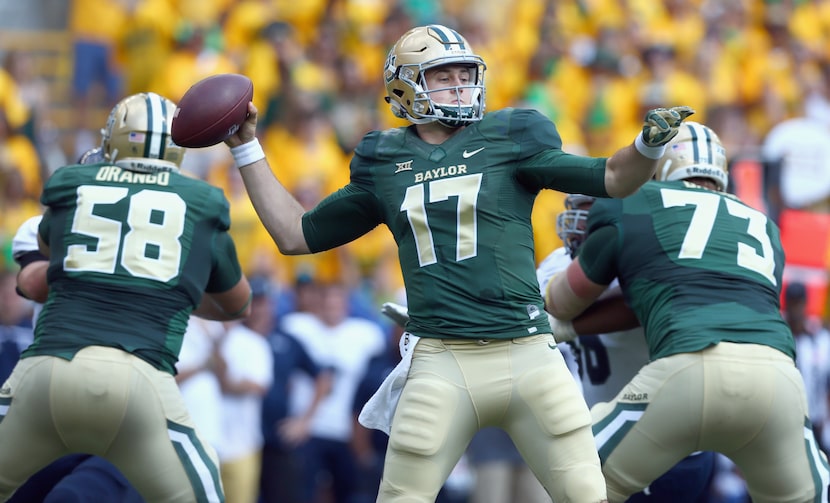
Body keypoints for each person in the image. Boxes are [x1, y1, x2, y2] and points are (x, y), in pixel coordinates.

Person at [223, 22, 694, 503]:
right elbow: (295, 235)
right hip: (441, 358)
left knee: (586, 495)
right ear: (405, 85)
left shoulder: (512, 135)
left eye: (464, 74)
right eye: (443, 75)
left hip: (528, 351)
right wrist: (245, 147)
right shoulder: (383, 159)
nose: (460, 85)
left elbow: (612, 177)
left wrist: (646, 147)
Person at [546, 121, 830, 502]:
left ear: (656, 168)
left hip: (687, 372)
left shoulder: (634, 203)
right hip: (778, 381)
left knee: (574, 481)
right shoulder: (762, 224)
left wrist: (559, 319)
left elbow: (564, 302)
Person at [0, 91, 253, 503]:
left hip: (48, 371)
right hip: (141, 381)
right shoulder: (203, 201)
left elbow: (36, 279)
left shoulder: (73, 183)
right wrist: (170, 288)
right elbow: (239, 304)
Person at [539, 193, 716, 502]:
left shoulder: (647, 263)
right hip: (601, 433)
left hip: (667, 442)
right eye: (577, 211)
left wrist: (567, 325)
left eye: (589, 212)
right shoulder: (557, 263)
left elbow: (641, 302)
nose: (578, 224)